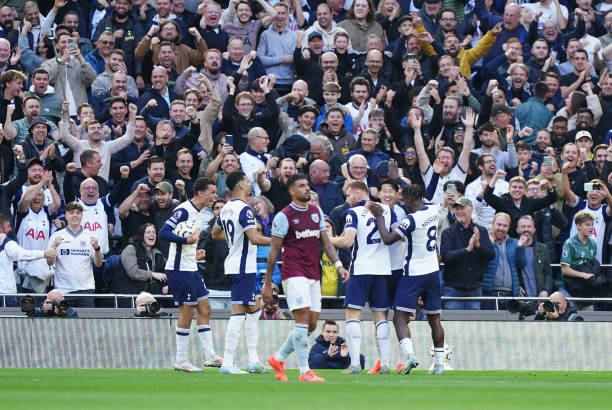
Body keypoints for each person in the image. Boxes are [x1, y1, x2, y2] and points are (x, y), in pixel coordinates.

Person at [263, 173, 349, 383]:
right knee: (301, 321)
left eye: (307, 185)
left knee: (310, 325)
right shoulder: (284, 216)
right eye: (302, 186)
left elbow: (326, 243)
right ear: (292, 191)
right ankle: (304, 372)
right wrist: (267, 283)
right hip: (293, 273)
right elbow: (274, 252)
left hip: (313, 274)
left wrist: (339, 265)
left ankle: (279, 357)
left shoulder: (316, 211)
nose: (307, 188)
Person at [368, 184, 446, 375]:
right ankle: (439, 365)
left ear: (411, 200)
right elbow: (415, 192)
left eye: (404, 200)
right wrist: (398, 179)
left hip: (414, 273)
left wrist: (379, 216)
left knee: (399, 318)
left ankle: (410, 356)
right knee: (434, 319)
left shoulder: (411, 220)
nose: (403, 204)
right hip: (433, 272)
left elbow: (387, 238)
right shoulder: (434, 211)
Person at [158, 177, 223, 372]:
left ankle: (210, 356)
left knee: (205, 308)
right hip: (179, 269)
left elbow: (184, 240)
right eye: (212, 192)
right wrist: (185, 241)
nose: (215, 196)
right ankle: (181, 360)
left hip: (190, 266)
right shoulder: (183, 210)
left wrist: (193, 252)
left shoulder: (199, 212)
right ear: (200, 193)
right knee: (187, 311)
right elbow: (163, 232)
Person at [329, 180, 392, 374]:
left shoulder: (354, 213)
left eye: (348, 195)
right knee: (380, 316)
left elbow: (347, 241)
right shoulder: (387, 209)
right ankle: (385, 364)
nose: (347, 200)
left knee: (353, 315)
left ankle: (355, 364)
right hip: (383, 270)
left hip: (362, 268)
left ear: (358, 194)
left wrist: (326, 238)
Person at [211, 170, 271, 374]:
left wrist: (233, 240)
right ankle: (227, 363)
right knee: (238, 314)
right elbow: (255, 238)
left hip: (236, 264)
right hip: (243, 266)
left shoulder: (226, 208)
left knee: (254, 311)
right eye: (247, 181)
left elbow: (214, 233)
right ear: (241, 186)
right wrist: (280, 241)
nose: (249, 183)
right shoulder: (245, 210)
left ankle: (253, 360)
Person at [440, 197, 495, 310]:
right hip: (453, 288)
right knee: (451, 325)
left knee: (474, 326)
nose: (459, 212)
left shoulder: (481, 231)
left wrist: (478, 246)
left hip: (475, 288)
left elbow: (490, 255)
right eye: (457, 209)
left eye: (462, 208)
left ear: (471, 209)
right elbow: (446, 257)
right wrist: (467, 250)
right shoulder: (448, 233)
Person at [48, 202, 104, 308]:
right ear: (66, 216)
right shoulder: (56, 236)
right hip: (63, 290)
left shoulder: (91, 236)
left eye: (78, 213)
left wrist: (97, 249)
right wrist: (54, 247)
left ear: (82, 215)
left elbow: (98, 264)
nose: (75, 215)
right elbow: (49, 263)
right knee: (64, 324)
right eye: (71, 213)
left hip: (86, 289)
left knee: (87, 324)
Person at [111, 223, 167, 305]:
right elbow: (133, 272)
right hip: (129, 298)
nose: (152, 234)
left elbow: (169, 269)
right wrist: (152, 274)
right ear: (141, 235)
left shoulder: (157, 253)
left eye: (154, 232)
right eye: (148, 232)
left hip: (149, 298)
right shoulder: (131, 249)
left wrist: (167, 285)